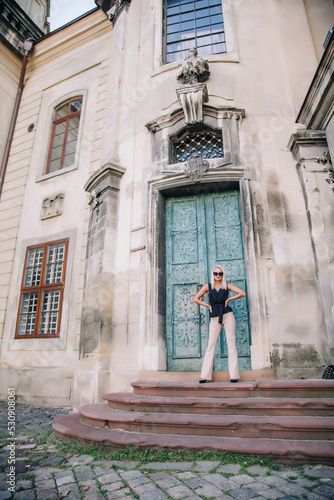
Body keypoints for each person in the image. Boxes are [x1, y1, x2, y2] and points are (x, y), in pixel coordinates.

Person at [193, 265, 246, 383]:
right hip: (214, 317)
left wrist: (229, 300)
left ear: (223, 274)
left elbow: (242, 293)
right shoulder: (208, 286)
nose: (218, 276)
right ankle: (205, 375)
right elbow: (195, 299)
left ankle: (234, 375)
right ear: (213, 274)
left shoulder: (227, 286)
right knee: (211, 345)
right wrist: (208, 306)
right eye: (216, 273)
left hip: (227, 315)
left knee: (231, 343)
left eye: (220, 273)